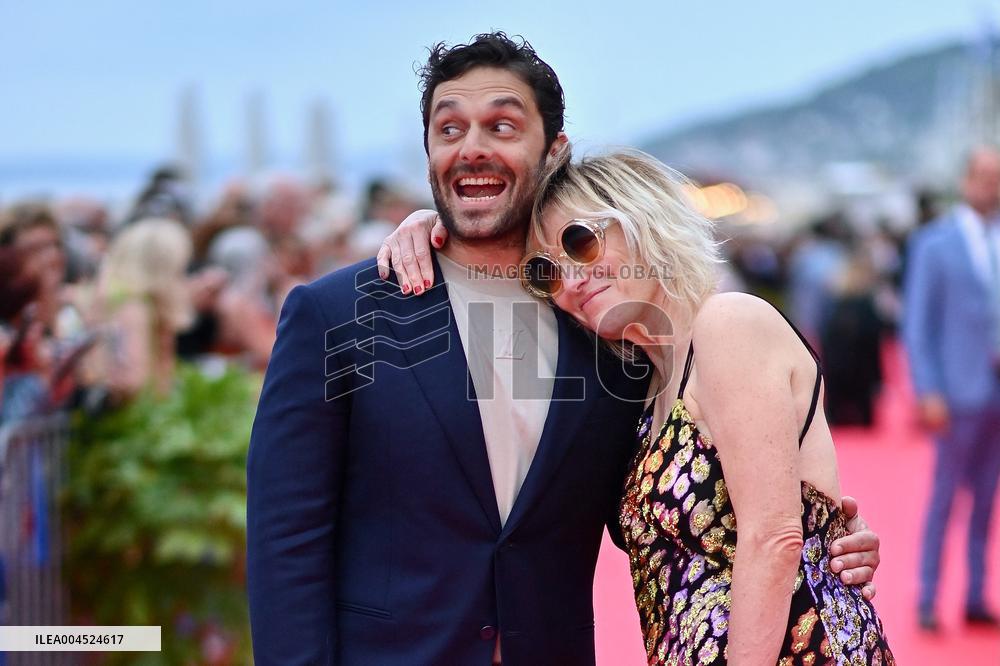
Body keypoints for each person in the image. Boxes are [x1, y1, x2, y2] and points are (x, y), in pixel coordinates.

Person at [247, 32, 882, 665]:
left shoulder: (612, 347)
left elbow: (720, 513)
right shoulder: (338, 314)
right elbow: (286, 537)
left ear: (552, 153)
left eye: (501, 126)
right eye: (449, 130)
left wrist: (824, 533)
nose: (471, 148)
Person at [902, 146, 1000, 631]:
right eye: (984, 177)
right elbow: (917, 325)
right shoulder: (934, 243)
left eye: (998, 178)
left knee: (988, 500)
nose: (992, 187)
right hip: (956, 393)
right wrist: (927, 389)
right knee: (945, 498)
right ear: (965, 180)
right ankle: (928, 595)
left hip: (996, 395)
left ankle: (977, 594)